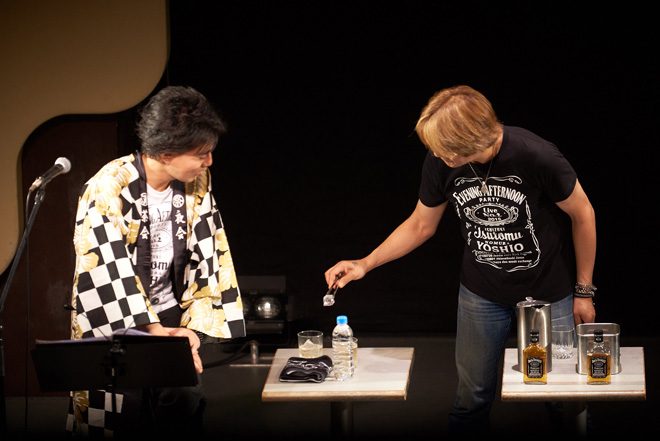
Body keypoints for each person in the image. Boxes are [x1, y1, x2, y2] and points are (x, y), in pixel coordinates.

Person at [325, 85, 596, 434]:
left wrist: (584, 290)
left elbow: (583, 215)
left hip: (547, 292)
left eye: (444, 149)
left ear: (469, 140)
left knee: (563, 396)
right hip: (482, 294)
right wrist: (365, 263)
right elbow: (420, 225)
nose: (437, 155)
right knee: (472, 398)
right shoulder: (440, 161)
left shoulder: (536, 155)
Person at [66, 86, 246, 438]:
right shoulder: (108, 186)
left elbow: (208, 253)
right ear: (166, 153)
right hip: (118, 322)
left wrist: (191, 328)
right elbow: (106, 267)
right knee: (116, 416)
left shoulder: (196, 181)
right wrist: (155, 335)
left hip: (170, 319)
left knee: (182, 408)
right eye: (201, 154)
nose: (209, 162)